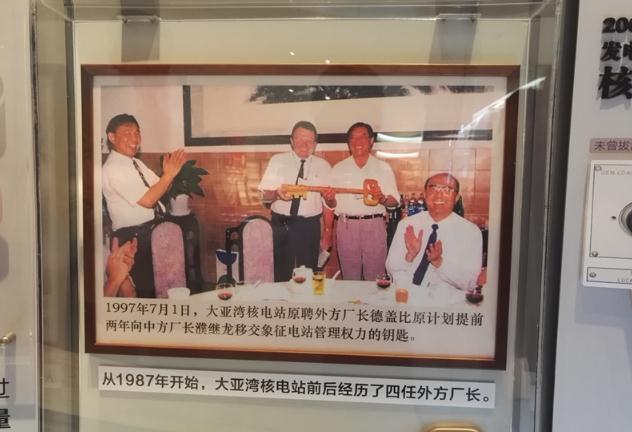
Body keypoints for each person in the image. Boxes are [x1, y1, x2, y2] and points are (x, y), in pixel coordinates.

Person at [101, 113, 186, 298]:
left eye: (137, 133)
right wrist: (168, 175)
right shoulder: (113, 168)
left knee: (161, 288)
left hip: (149, 232)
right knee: (143, 294)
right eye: (127, 133)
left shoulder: (135, 163)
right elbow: (148, 201)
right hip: (132, 238)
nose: (135, 139)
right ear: (112, 137)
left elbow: (160, 188)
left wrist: (168, 174)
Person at [385, 173, 483, 305]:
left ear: (456, 198)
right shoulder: (407, 225)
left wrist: (439, 262)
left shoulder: (471, 232)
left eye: (446, 190)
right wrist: (409, 257)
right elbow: (392, 269)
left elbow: (471, 282)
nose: (439, 195)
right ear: (425, 194)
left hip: (447, 304)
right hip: (409, 298)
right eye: (433, 189)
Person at [258, 121, 335, 282]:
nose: (304, 144)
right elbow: (264, 196)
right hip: (281, 225)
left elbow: (330, 205)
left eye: (309, 140)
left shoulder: (324, 166)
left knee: (309, 276)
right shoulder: (277, 161)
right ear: (292, 141)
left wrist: (328, 232)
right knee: (281, 276)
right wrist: (276, 194)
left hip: (309, 227)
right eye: (300, 138)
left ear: (315, 144)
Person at [329, 122, 399, 281]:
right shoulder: (338, 168)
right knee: (350, 277)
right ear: (348, 143)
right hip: (346, 225)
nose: (358, 141)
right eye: (353, 138)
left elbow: (394, 202)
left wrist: (382, 199)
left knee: (375, 277)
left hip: (374, 225)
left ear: (371, 140)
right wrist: (329, 199)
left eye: (363, 137)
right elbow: (332, 205)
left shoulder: (383, 168)